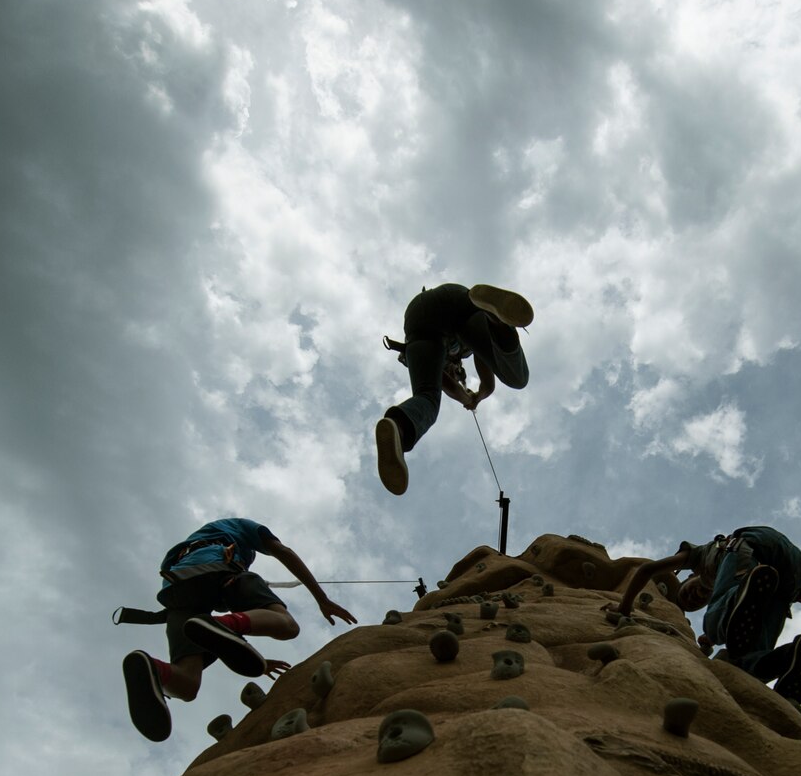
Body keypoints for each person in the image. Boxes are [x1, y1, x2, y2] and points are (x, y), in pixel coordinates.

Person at [116, 517, 356, 742]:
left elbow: (210, 635)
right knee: (287, 626)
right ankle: (224, 625)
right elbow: (284, 552)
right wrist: (322, 598)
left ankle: (155, 670)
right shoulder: (241, 527)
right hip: (220, 569)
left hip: (176, 590)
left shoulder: (185, 549)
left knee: (187, 684)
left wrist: (254, 656)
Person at [615, 526, 801, 707]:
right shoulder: (752, 592)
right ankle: (790, 656)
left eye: (689, 592)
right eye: (694, 604)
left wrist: (624, 606)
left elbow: (647, 569)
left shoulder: (698, 557)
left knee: (713, 624)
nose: (694, 597)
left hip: (753, 545)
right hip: (792, 579)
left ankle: (736, 600)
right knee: (747, 659)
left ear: (690, 576)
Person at [374, 282, 534, 495]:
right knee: (517, 378)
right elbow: (471, 378)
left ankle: (399, 426)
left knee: (426, 397)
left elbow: (482, 366)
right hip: (457, 303)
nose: (453, 373)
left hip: (418, 320)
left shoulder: (448, 352)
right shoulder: (458, 348)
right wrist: (473, 397)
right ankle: (495, 319)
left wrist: (474, 396)